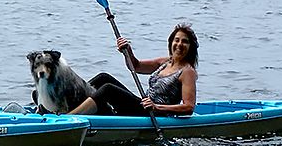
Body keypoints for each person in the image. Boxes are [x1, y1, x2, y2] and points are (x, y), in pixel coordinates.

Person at [68, 23, 199, 116]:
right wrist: (128, 51)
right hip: (143, 105)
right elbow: (135, 66)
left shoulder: (187, 72)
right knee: (103, 78)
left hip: (154, 114)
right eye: (177, 40)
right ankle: (69, 106)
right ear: (171, 43)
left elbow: (188, 107)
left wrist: (156, 107)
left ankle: (70, 118)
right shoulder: (165, 62)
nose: (179, 44)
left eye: (185, 42)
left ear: (190, 47)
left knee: (108, 89)